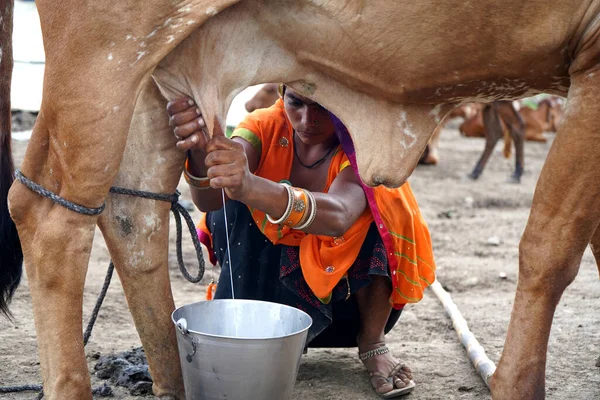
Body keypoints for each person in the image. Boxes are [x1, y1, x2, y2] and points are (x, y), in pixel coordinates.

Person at [166, 85, 436, 398]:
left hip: (342, 310)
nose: (307, 119)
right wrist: (200, 152)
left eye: (322, 105)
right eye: (296, 102)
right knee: (230, 203)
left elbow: (340, 216)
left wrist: (252, 186)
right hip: (262, 302)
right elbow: (210, 201)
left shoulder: (361, 139)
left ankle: (373, 342)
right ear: (282, 94)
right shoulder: (263, 125)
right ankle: (240, 334)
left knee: (382, 209)